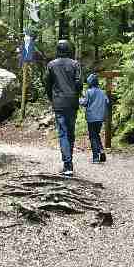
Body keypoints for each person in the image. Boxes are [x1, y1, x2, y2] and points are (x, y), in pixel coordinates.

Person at [44, 39, 82, 176]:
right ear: (68, 50)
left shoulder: (51, 65)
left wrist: (52, 98)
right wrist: (76, 95)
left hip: (59, 103)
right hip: (72, 103)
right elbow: (79, 83)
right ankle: (69, 161)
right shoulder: (75, 64)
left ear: (58, 50)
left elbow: (47, 84)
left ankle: (67, 164)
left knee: (63, 133)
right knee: (70, 132)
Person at [80, 73, 110, 164]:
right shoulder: (102, 92)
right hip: (100, 118)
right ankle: (101, 150)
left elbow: (84, 103)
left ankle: (95, 157)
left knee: (93, 137)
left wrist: (79, 100)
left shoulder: (89, 92)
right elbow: (107, 101)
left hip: (91, 118)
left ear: (90, 82)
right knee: (96, 135)